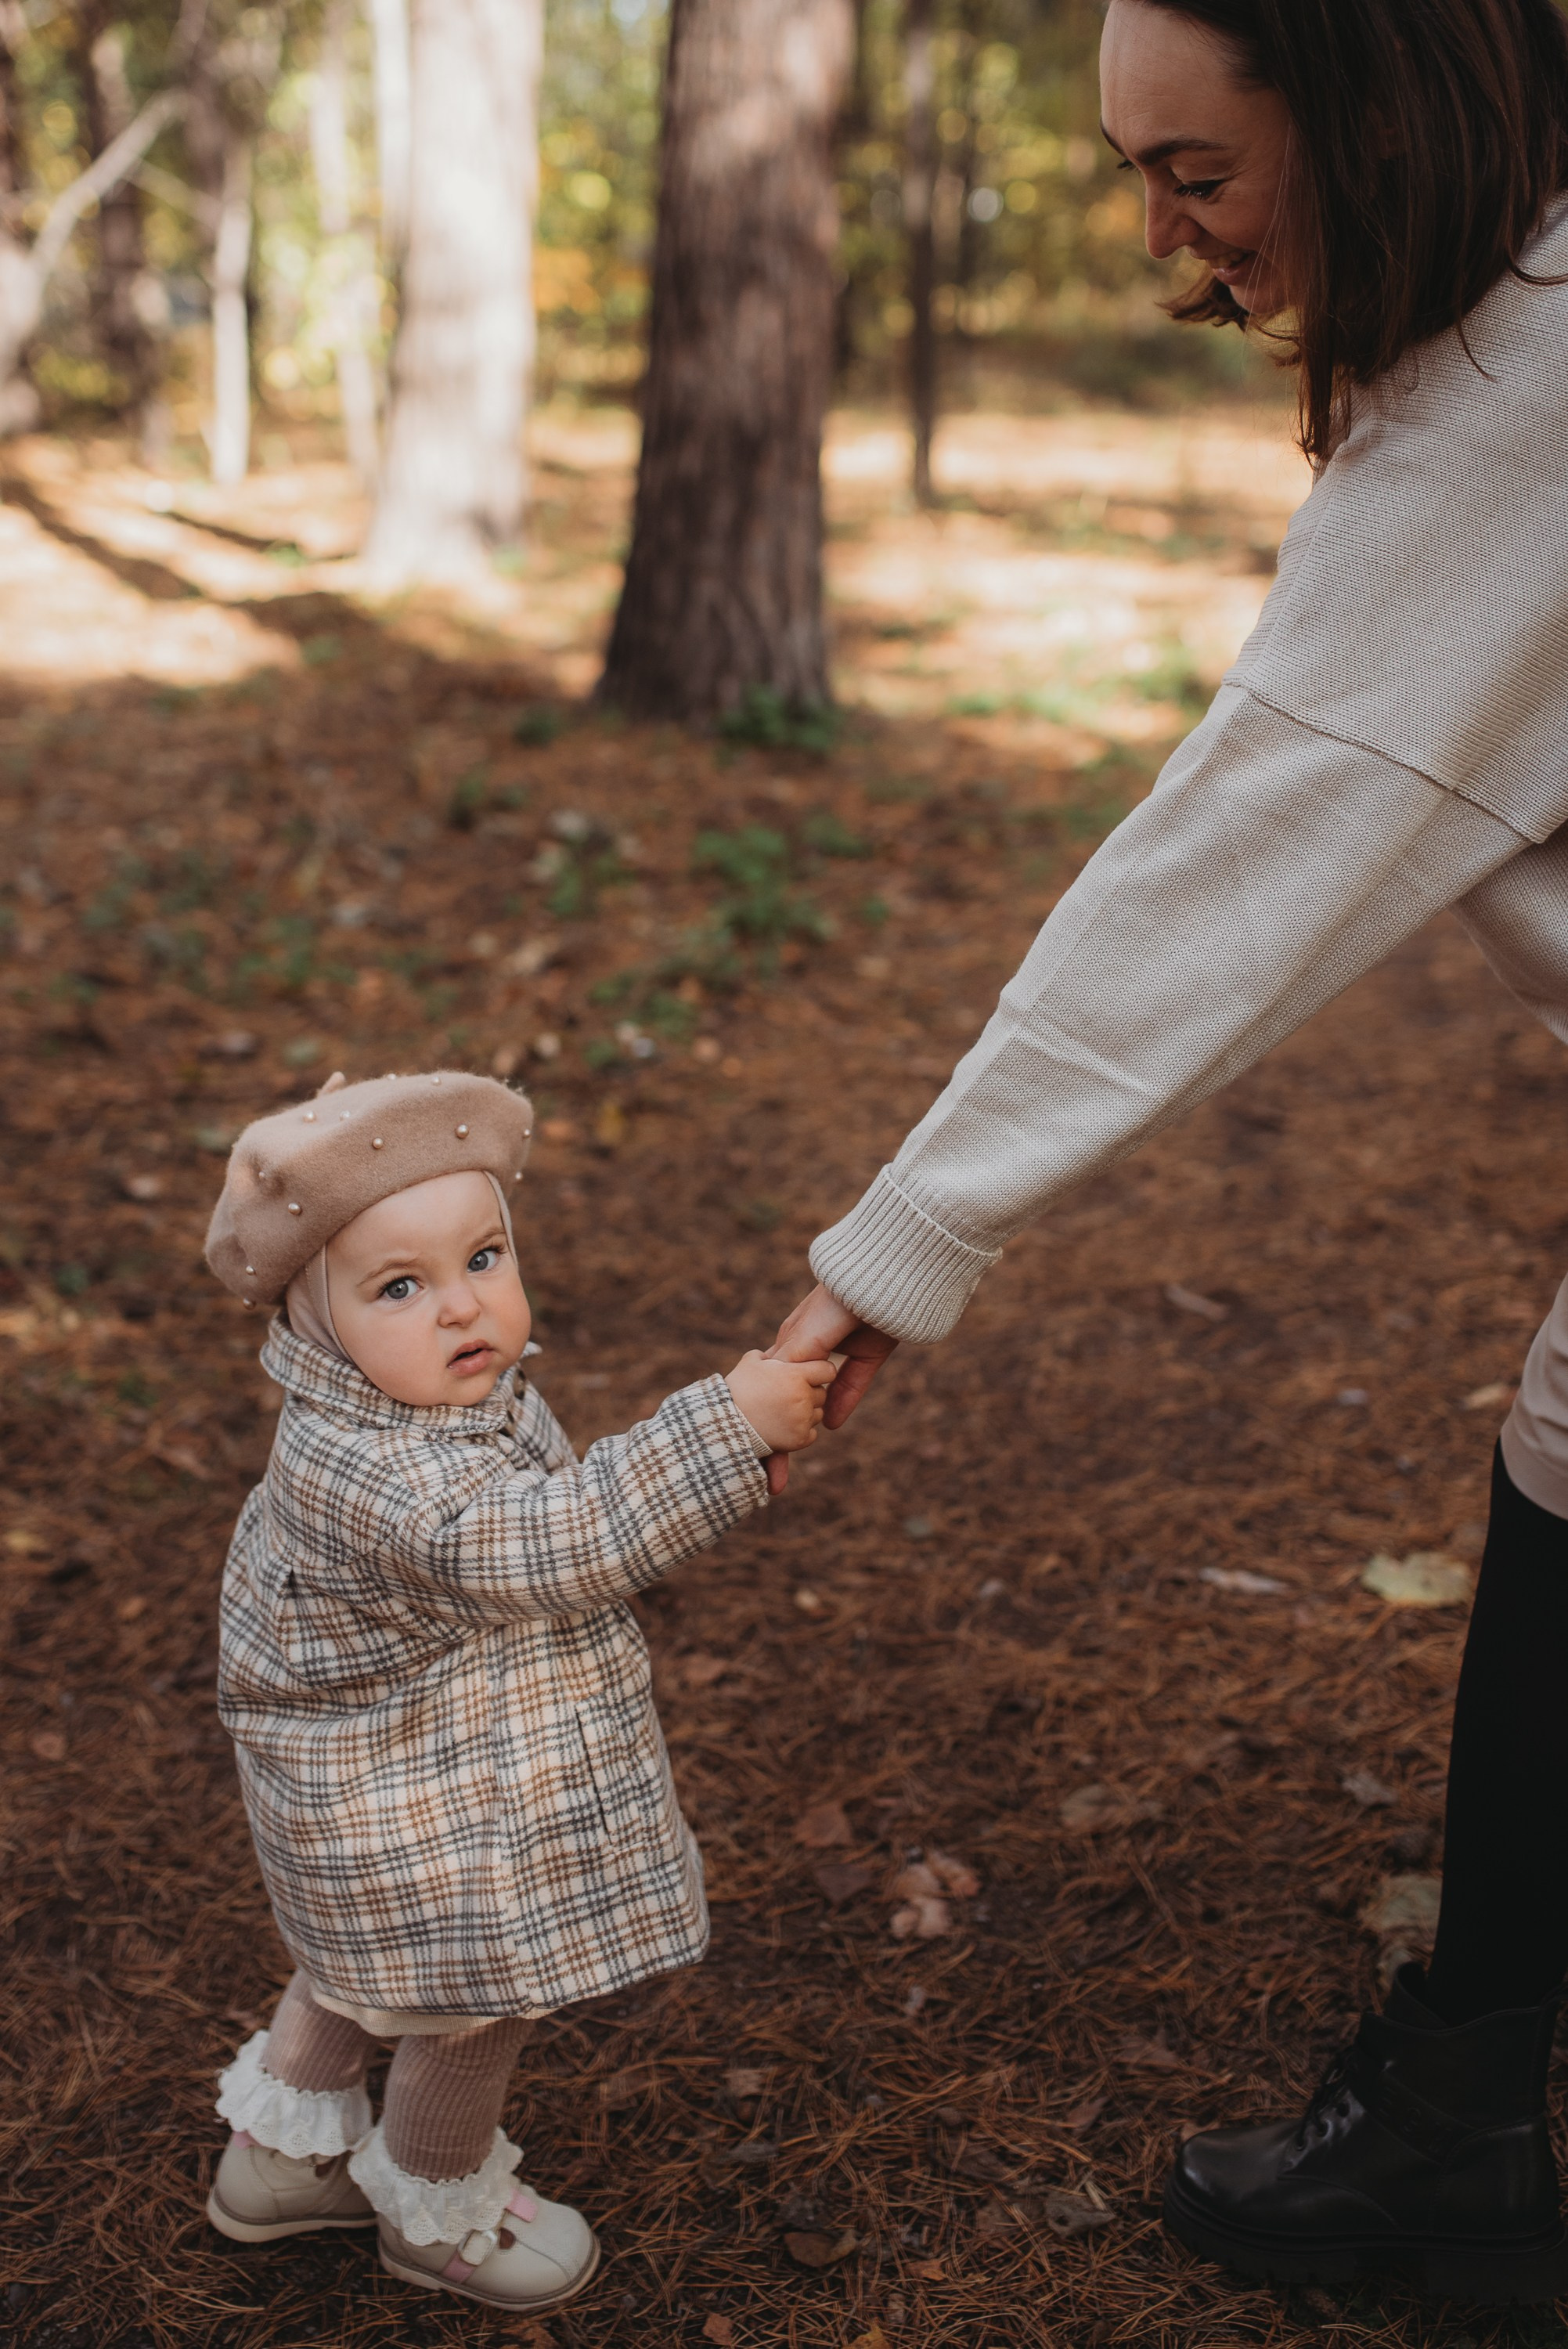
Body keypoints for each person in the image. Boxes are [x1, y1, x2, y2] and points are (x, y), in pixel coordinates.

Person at [770, 0, 1568, 2307]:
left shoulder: (1522, 404)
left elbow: (1225, 865)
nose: (1168, 255)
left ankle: (1449, 2138)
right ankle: (1461, 2107)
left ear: (1377, 102)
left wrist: (900, 1242)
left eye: (1196, 177)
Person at [200, 1068, 835, 2314]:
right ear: (311, 1318)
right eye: (399, 1286)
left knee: (364, 1970)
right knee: (471, 2004)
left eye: (483, 1256)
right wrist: (728, 1427)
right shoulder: (376, 1471)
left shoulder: (410, 1404)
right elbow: (554, 1542)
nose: (461, 1307)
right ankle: (433, 2209)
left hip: (390, 1782)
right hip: (425, 1815)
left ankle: (277, 2168)